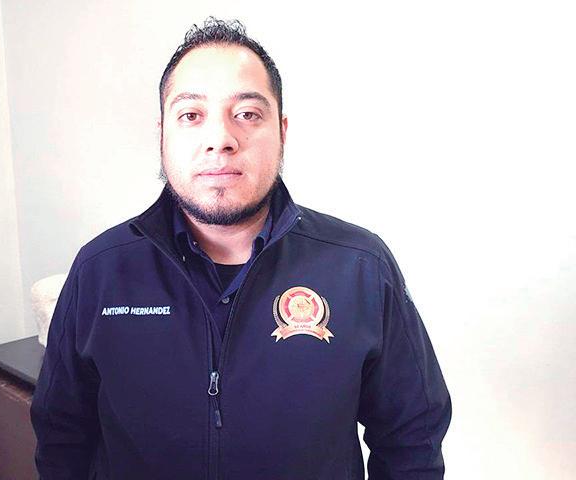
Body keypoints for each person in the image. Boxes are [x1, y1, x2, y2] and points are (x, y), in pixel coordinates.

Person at [30, 17, 452, 480]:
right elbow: (61, 439)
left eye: (248, 114)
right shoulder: (99, 271)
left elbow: (412, 439)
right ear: (162, 133)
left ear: (282, 131)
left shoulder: (360, 266)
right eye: (191, 115)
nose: (220, 140)